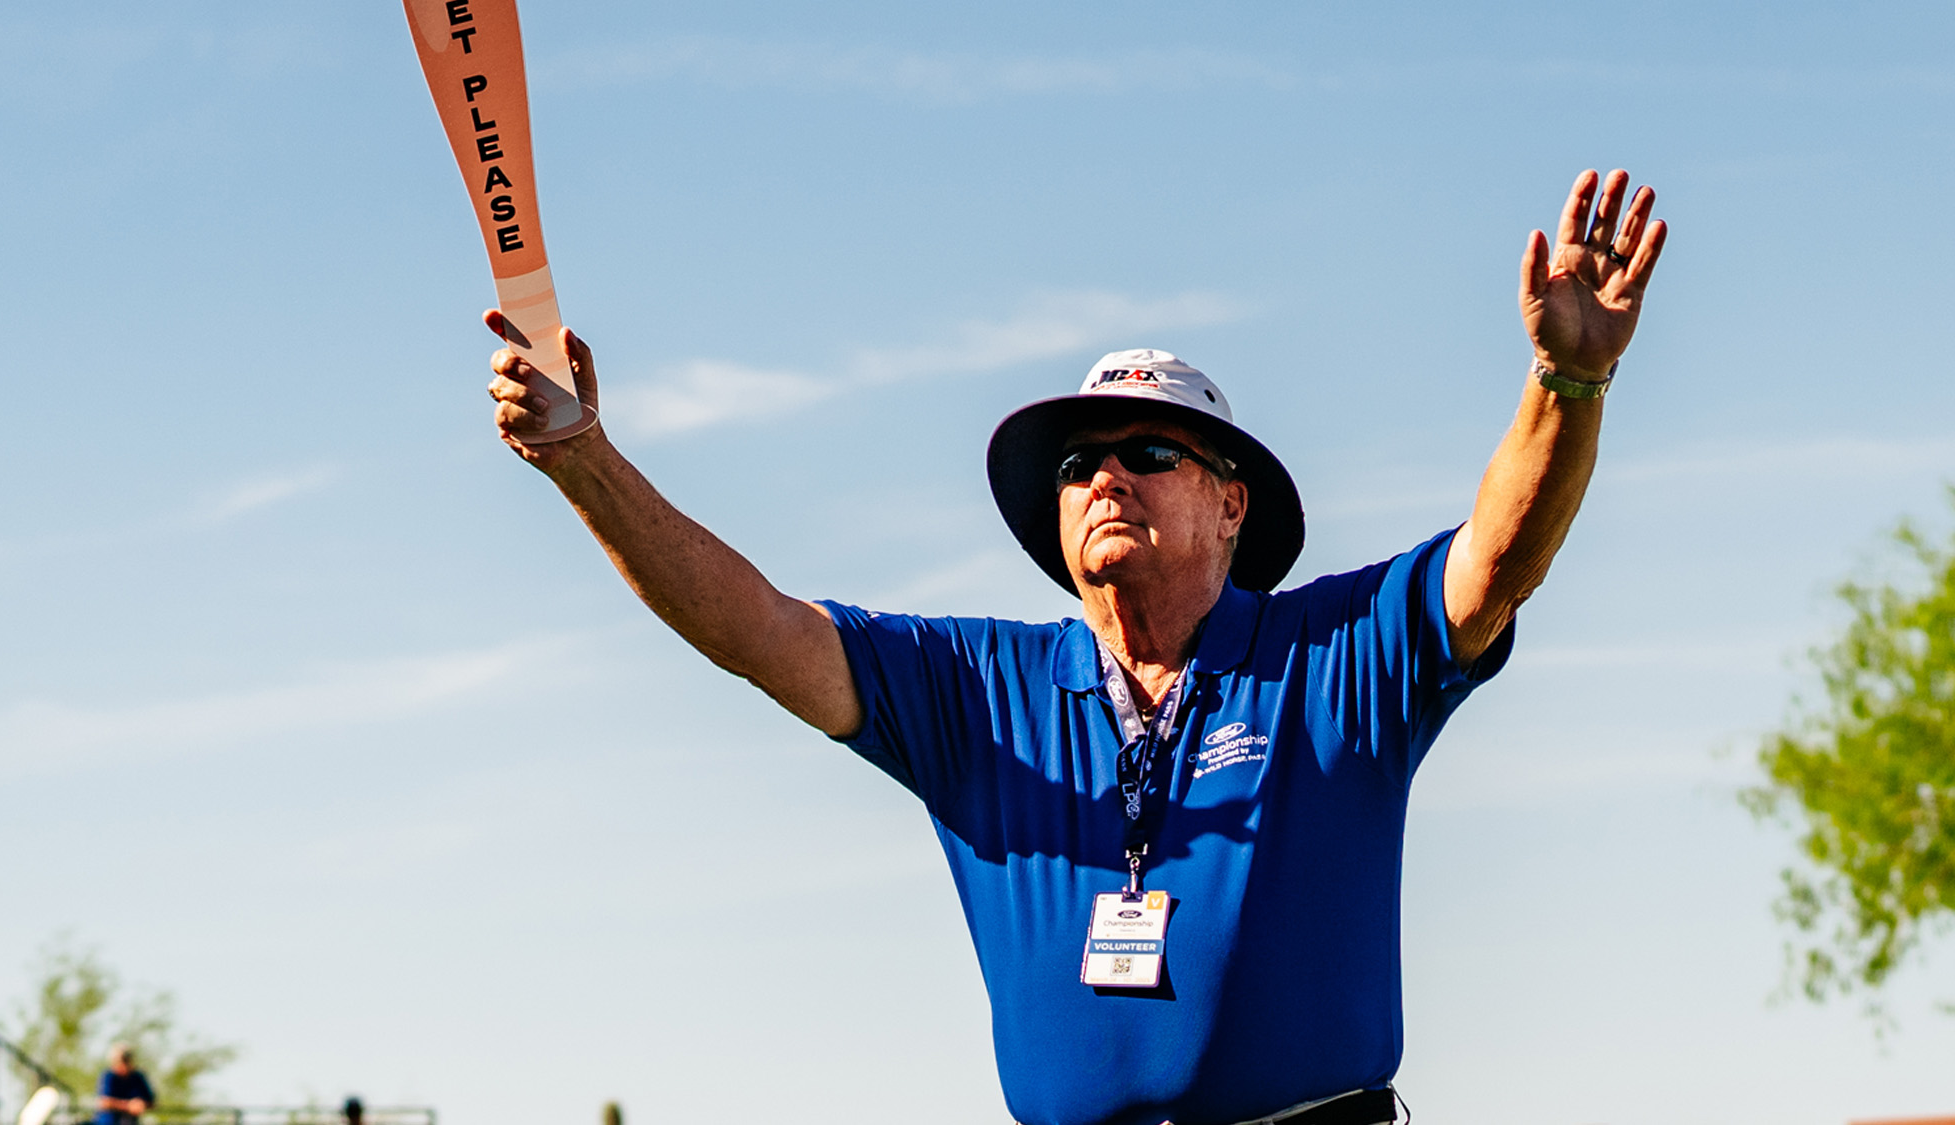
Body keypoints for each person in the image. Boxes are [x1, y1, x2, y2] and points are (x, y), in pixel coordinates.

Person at [484, 170, 1667, 1125]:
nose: (1102, 475)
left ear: (1231, 504)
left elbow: (1494, 563)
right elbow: (756, 630)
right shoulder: (976, 691)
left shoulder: (1331, 654)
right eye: (1073, 465)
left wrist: (1568, 378)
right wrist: (584, 457)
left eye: (1146, 453)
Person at [93, 1044, 154, 1125]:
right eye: (121, 1060)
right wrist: (128, 1106)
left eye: (126, 1059)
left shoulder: (137, 1077)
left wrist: (142, 1104)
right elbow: (104, 1102)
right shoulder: (108, 1076)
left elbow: (151, 1102)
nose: (123, 1063)